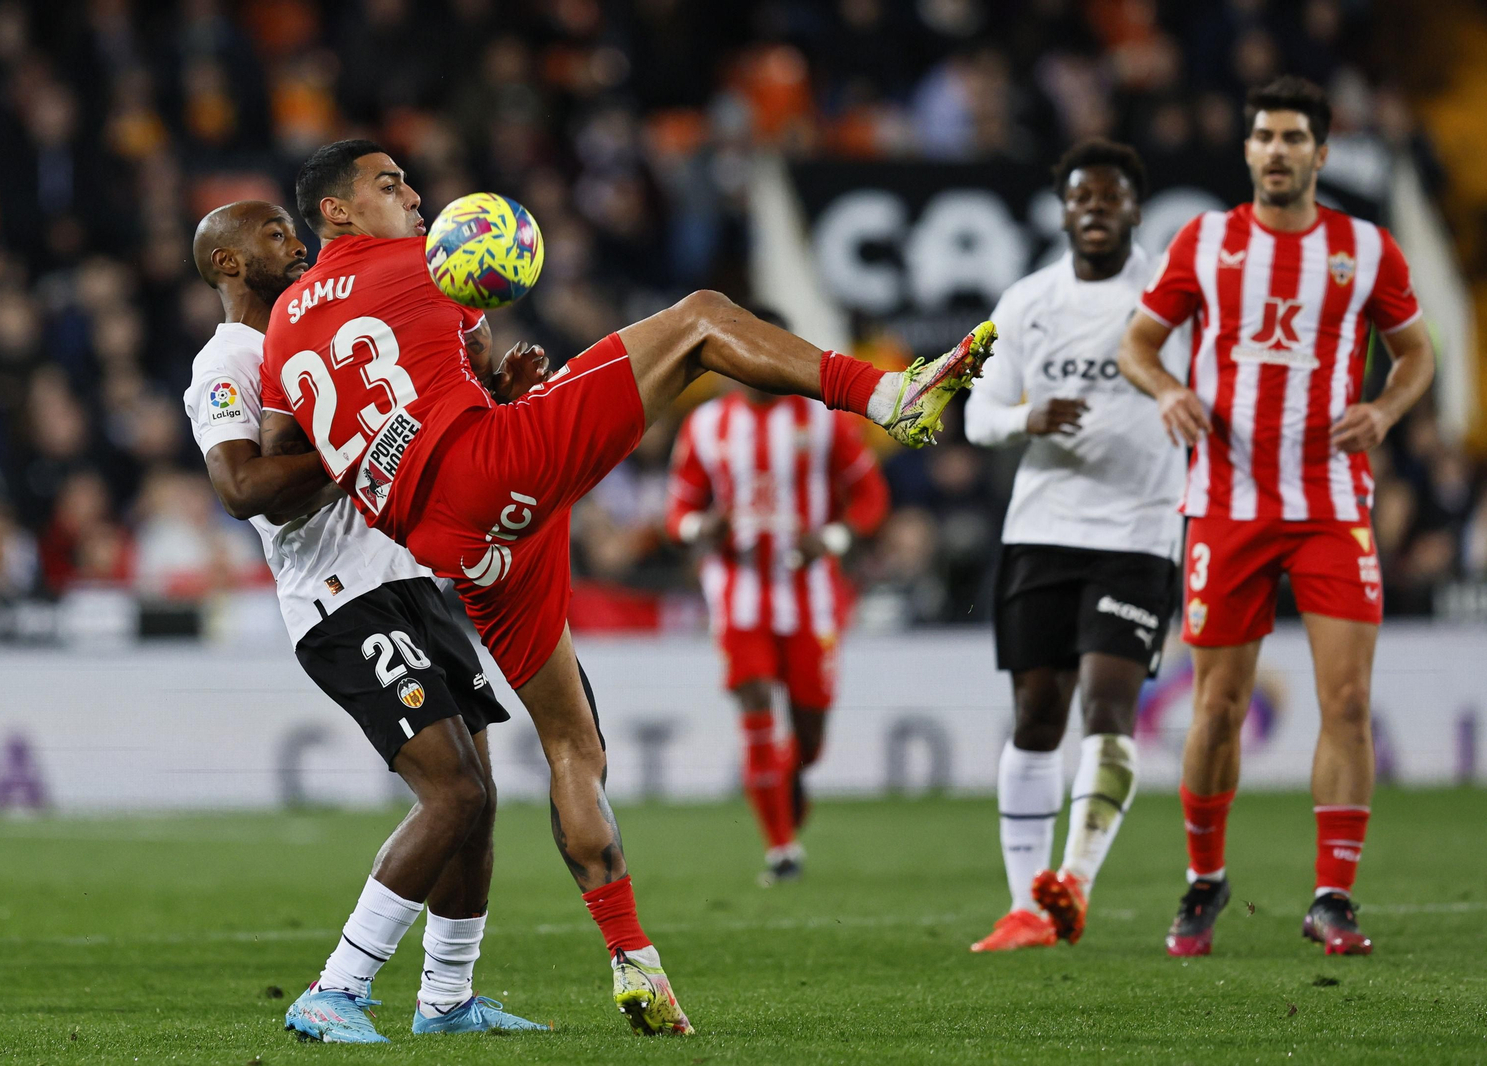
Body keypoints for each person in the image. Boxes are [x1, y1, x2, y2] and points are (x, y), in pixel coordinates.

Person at [257, 139, 996, 1035]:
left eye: (410, 182)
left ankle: (632, 959)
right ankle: (889, 397)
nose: (413, 197)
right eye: (389, 184)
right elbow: (482, 311)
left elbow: (290, 453)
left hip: (450, 538)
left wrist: (461, 403)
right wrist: (480, 341)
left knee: (573, 741)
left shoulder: (282, 329)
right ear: (336, 211)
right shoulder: (419, 262)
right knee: (700, 320)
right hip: (494, 469)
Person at [183, 200, 544, 1042]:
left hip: (409, 580)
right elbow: (241, 488)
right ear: (228, 263)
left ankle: (447, 1000)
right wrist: (359, 444)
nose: (296, 243)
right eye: (274, 234)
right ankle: (333, 990)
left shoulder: (315, 334)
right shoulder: (229, 360)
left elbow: (410, 437)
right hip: (340, 597)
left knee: (480, 799)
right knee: (451, 791)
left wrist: (489, 399)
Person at [1118, 76, 1435, 957]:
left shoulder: (1365, 249)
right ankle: (1204, 881)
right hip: (1227, 502)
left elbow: (1417, 354)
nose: (1278, 151)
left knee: (1348, 699)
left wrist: (1386, 410)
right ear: (1248, 149)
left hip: (1331, 502)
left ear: (1321, 154)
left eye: (1295, 138)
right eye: (1265, 136)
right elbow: (1137, 343)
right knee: (1217, 705)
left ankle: (1333, 897)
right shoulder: (1206, 241)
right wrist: (1168, 389)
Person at [965, 139, 1184, 952]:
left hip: (1137, 531)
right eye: (1081, 198)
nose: (1095, 209)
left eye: (1110, 197)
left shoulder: (1172, 298)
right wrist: (1028, 417)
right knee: (1034, 713)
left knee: (1107, 703)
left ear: (1135, 210)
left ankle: (1075, 882)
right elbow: (978, 415)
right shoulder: (1027, 301)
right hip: (1041, 530)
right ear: (1062, 212)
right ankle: (1026, 906)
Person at [664, 306, 890, 886]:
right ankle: (782, 849)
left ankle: (789, 783)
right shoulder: (705, 426)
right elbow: (678, 513)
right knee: (756, 703)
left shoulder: (824, 422)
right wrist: (702, 528)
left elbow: (870, 497)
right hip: (737, 591)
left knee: (809, 735)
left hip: (811, 594)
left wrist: (833, 538)